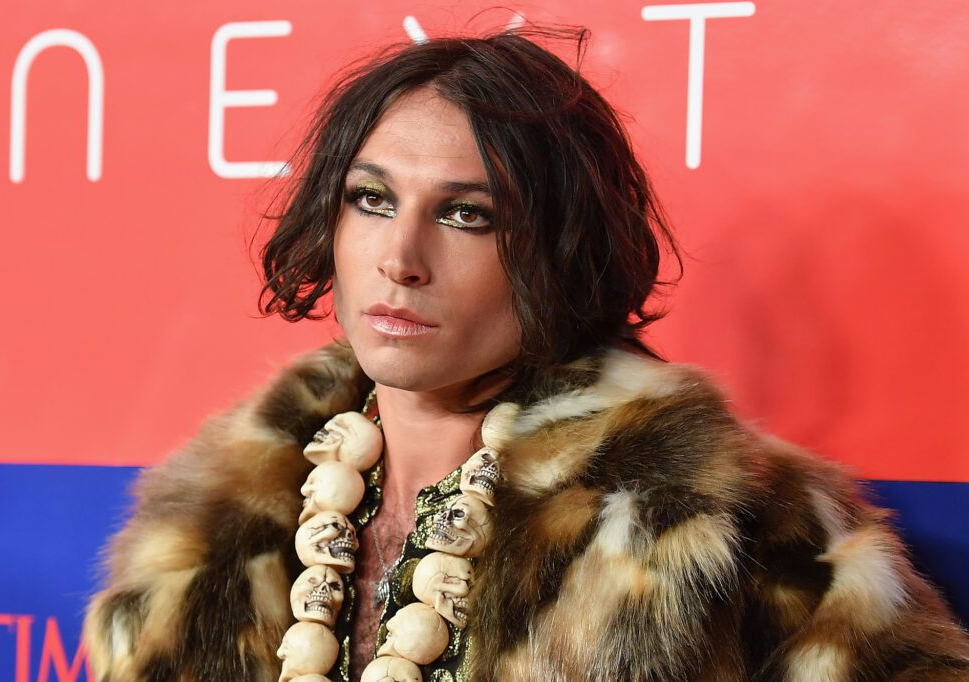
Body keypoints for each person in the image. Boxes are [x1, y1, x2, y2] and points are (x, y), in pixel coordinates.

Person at [82, 24, 969, 682]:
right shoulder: (208, 536)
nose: (401, 258)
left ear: (559, 253)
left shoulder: (732, 526)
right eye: (372, 199)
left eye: (469, 214)